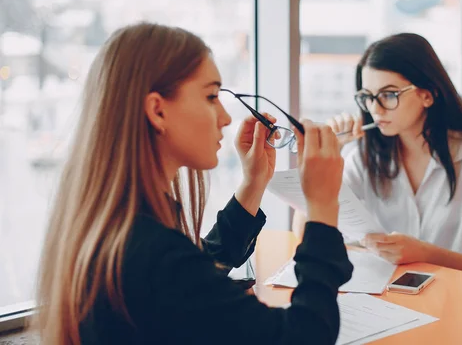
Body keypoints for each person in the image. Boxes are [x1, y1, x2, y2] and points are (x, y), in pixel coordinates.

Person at [35, 22, 352, 345]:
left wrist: (253, 184)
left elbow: (202, 267)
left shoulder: (116, 227)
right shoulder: (152, 253)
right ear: (158, 110)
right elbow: (306, 336)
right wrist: (323, 206)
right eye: (211, 96)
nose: (226, 118)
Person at [293, 33, 462, 278]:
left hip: (454, 300)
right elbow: (304, 236)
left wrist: (424, 253)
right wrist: (329, 155)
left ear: (427, 95)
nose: (375, 109)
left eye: (388, 95)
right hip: (382, 301)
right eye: (368, 97)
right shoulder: (362, 156)